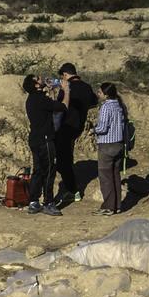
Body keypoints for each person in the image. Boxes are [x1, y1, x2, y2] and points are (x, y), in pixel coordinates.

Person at [52, 62, 97, 208]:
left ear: (65, 75)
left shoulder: (67, 88)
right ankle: (71, 185)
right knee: (67, 156)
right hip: (78, 126)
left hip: (65, 126)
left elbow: (59, 106)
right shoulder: (86, 87)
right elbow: (93, 102)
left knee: (61, 161)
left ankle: (72, 190)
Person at [22, 75, 66, 215]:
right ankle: (48, 203)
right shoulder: (40, 99)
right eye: (38, 78)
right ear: (35, 85)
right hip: (45, 140)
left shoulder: (32, 99)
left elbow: (48, 108)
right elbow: (62, 107)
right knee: (48, 172)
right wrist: (66, 91)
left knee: (38, 171)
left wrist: (51, 90)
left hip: (35, 139)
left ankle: (33, 201)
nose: (42, 77)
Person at [92, 81, 127, 215]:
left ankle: (108, 207)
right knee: (115, 175)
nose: (98, 94)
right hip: (118, 144)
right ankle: (117, 205)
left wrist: (93, 130)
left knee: (105, 177)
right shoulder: (119, 105)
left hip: (107, 145)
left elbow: (102, 128)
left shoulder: (106, 107)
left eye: (100, 92)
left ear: (106, 95)